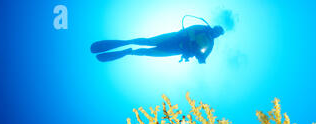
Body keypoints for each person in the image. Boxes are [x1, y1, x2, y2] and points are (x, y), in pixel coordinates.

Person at [91, 24, 224, 64]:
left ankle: (128, 51)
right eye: (217, 30)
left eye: (218, 34)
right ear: (214, 27)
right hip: (174, 38)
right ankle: (127, 43)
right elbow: (188, 30)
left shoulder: (211, 44)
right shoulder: (202, 28)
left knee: (148, 52)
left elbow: (203, 59)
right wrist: (193, 43)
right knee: (148, 42)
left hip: (177, 50)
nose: (216, 33)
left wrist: (198, 55)